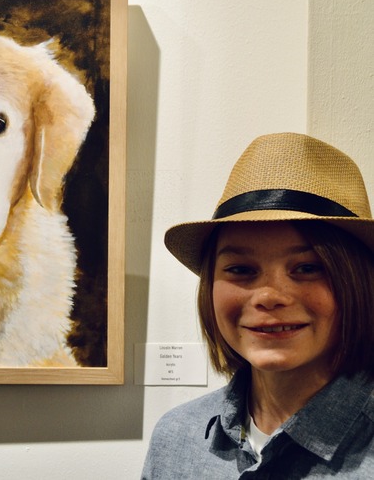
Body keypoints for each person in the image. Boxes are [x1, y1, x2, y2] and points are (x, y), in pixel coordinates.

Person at [141, 133, 374, 479]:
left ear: (358, 281)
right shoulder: (178, 437)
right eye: (241, 270)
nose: (268, 296)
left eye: (308, 268)